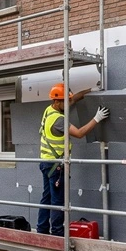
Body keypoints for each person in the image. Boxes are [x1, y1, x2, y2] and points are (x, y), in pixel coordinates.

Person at [37, 84, 109, 236]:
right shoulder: (58, 119)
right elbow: (79, 133)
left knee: (47, 197)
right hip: (55, 165)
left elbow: (73, 99)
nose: (69, 103)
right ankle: (57, 232)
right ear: (57, 102)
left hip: (46, 162)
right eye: (65, 101)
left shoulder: (49, 110)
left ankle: (42, 229)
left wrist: (90, 90)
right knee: (58, 200)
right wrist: (97, 119)